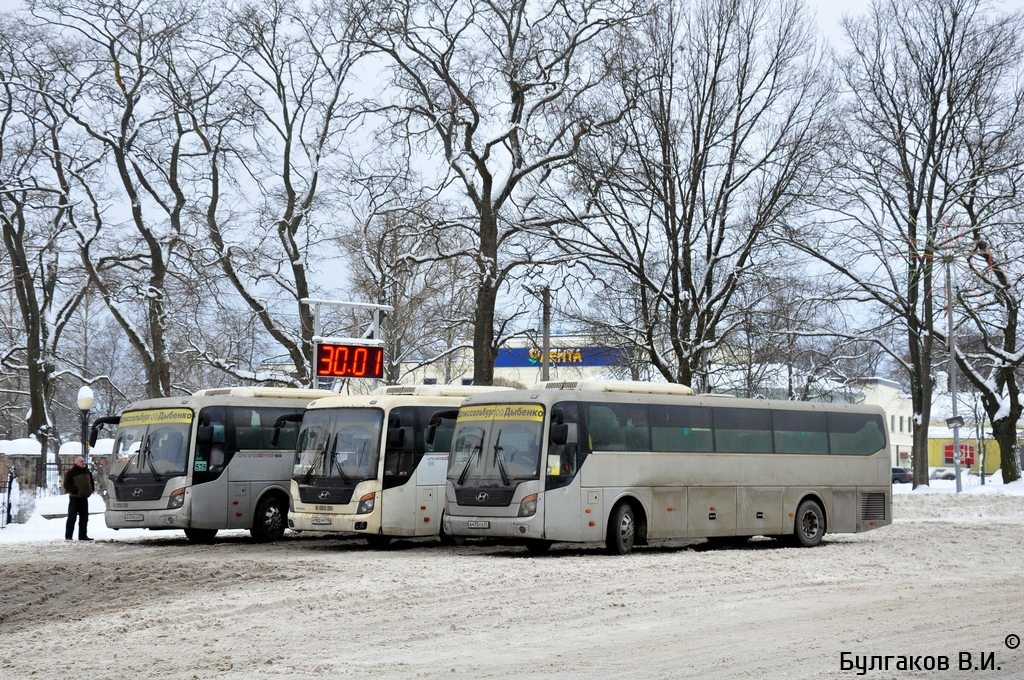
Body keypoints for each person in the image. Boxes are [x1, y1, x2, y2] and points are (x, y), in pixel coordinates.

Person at [63, 456, 95, 541]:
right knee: (72, 518)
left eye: (83, 461)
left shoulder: (87, 471)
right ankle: (69, 536)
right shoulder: (71, 473)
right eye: (81, 461)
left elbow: (91, 481)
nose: (83, 462)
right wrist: (75, 490)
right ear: (76, 462)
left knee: (84, 518)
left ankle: (83, 536)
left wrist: (91, 489)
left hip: (84, 497)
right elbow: (66, 485)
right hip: (75, 498)